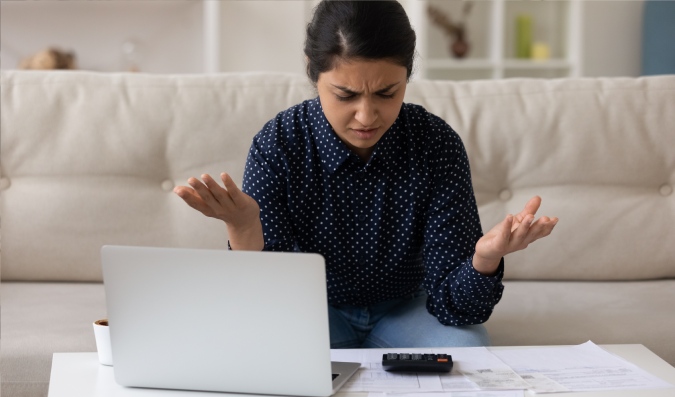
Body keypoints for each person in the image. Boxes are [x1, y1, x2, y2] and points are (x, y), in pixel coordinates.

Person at [174, 0, 558, 349]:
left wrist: (483, 258)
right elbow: (264, 304)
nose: (366, 116)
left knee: (469, 349)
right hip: (311, 312)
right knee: (256, 348)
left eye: (387, 93)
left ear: (408, 75)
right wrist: (244, 228)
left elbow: (456, 309)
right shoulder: (279, 144)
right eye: (346, 95)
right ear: (312, 70)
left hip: (407, 309)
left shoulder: (436, 144)